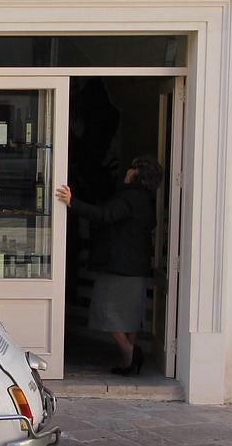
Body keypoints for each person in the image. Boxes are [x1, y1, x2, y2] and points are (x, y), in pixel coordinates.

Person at [55, 154, 163, 376]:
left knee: (107, 312)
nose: (126, 172)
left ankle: (130, 354)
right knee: (130, 317)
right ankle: (128, 363)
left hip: (119, 266)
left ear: (136, 175)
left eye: (131, 169)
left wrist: (71, 202)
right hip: (137, 265)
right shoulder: (146, 200)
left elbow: (102, 215)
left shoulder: (129, 198)